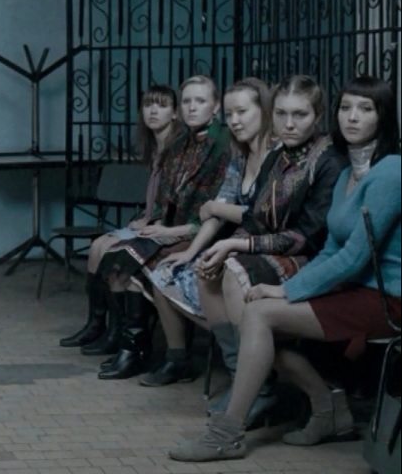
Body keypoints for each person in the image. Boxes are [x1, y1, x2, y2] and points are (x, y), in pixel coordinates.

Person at [170, 76, 400, 462]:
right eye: (346, 108)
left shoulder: (391, 171)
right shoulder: (348, 174)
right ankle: (327, 409)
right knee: (255, 312)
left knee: (260, 313)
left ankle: (227, 433)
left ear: (383, 117)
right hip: (354, 290)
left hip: (387, 298)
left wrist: (286, 290)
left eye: (365, 109)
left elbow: (354, 257)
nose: (352, 117)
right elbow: (331, 249)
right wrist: (285, 288)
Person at [87, 75, 232, 380]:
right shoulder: (181, 143)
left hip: (208, 233)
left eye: (201, 101)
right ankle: (131, 347)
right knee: (118, 259)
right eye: (187, 101)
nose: (192, 107)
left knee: (136, 268)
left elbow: (218, 208)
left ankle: (158, 354)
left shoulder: (222, 144)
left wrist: (171, 231)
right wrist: (157, 223)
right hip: (171, 228)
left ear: (216, 106)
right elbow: (166, 196)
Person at [140, 78, 275, 389]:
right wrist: (190, 251)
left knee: (211, 274)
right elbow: (220, 209)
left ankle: (250, 376)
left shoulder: (275, 156)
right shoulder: (240, 156)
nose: (235, 121)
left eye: (242, 112)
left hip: (269, 244)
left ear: (264, 112)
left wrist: (214, 209)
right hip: (236, 239)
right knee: (167, 272)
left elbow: (263, 214)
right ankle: (192, 360)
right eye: (231, 114)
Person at [60, 84, 179, 348]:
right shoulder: (155, 147)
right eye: (148, 105)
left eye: (161, 105)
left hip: (164, 227)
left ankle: (117, 332)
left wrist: (151, 219)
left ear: (175, 114)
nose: (153, 111)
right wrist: (145, 215)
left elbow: (173, 200)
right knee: (96, 246)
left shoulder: (176, 150)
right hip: (149, 220)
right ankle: (97, 324)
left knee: (107, 250)